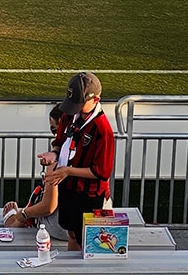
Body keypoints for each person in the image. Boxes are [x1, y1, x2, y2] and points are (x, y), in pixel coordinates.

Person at [41, 72, 115, 251]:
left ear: (96, 99)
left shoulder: (102, 130)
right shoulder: (68, 114)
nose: (75, 109)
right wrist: (53, 155)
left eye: (80, 104)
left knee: (90, 241)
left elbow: (101, 172)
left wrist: (68, 171)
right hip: (67, 188)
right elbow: (59, 143)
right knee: (72, 232)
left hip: (89, 196)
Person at [2, 106, 70, 241]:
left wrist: (23, 214)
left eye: (54, 129)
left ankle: (17, 222)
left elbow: (48, 207)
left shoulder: (56, 159)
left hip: (62, 229)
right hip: (91, 226)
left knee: (39, 203)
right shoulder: (91, 150)